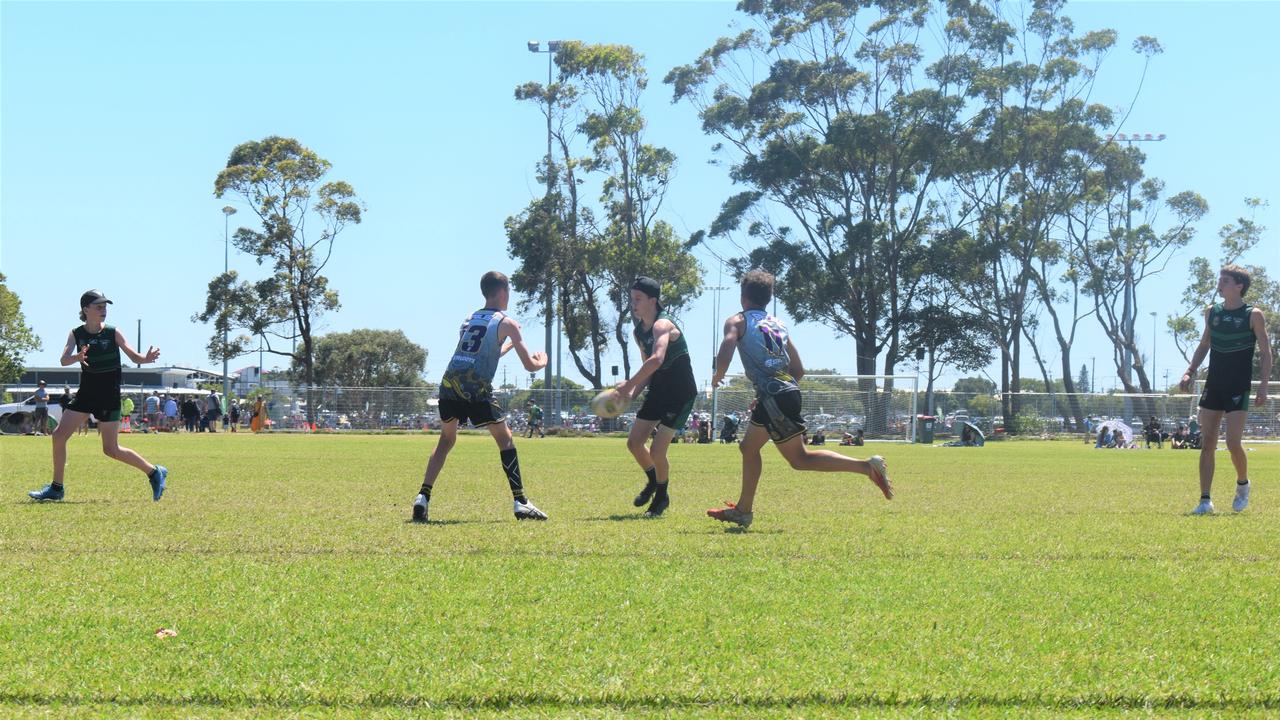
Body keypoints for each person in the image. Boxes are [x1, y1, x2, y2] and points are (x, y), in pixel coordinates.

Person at [706, 271, 892, 528]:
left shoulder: (737, 321)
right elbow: (799, 370)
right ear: (767, 299)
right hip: (787, 392)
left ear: (743, 297)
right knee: (750, 448)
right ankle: (743, 510)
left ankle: (866, 467)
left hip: (774, 395)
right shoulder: (778, 325)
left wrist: (718, 375)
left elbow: (728, 344)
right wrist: (769, 396)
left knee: (799, 459)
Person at [412, 271, 550, 522]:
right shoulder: (508, 323)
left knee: (446, 440)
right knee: (505, 440)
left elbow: (472, 353)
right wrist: (541, 363)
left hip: (449, 383)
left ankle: (423, 497)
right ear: (503, 291)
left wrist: (504, 347)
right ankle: (520, 501)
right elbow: (529, 365)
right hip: (476, 388)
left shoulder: (469, 318)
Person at [27, 290, 167, 502]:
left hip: (108, 395)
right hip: (86, 395)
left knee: (110, 449)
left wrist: (146, 359)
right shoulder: (76, 333)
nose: (104, 310)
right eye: (99, 306)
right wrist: (77, 356)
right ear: (85, 310)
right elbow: (64, 360)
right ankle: (56, 489)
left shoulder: (113, 332)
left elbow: (133, 355)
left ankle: (154, 472)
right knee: (58, 436)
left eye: (105, 306)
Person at [1181, 265, 1272, 515]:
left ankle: (1243, 484)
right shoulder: (1212, 312)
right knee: (1207, 442)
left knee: (1233, 443)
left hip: (1238, 386)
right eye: (1220, 279)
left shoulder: (1253, 314)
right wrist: (1189, 371)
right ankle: (1205, 500)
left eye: (1225, 280)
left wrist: (1263, 386)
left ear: (1239, 286)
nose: (1219, 283)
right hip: (1214, 385)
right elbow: (1204, 344)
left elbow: (1266, 353)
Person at [612, 277, 699, 517]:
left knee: (658, 451)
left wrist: (629, 383)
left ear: (653, 300)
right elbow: (648, 372)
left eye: (638, 299)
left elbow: (657, 360)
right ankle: (653, 481)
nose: (633, 304)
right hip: (659, 390)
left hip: (680, 393)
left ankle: (661, 498)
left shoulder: (663, 325)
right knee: (634, 443)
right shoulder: (639, 332)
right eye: (632, 299)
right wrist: (631, 393)